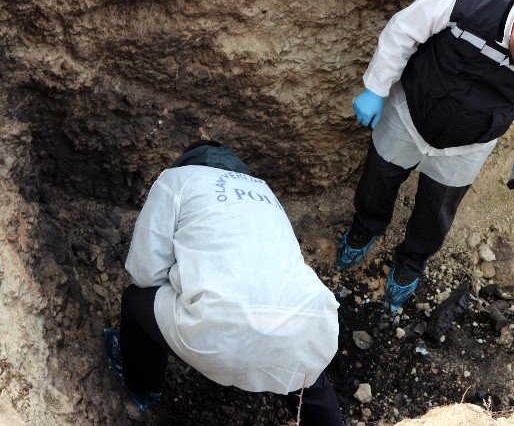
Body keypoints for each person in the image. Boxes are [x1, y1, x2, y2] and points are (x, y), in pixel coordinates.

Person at [336, 0, 514, 310]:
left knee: (437, 208)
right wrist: (376, 87)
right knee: (378, 179)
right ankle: (364, 228)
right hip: (410, 112)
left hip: (471, 142)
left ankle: (411, 262)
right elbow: (403, 32)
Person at [104, 141, 342, 425]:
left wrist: (187, 275)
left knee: (135, 301)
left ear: (189, 163)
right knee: (305, 375)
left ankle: (143, 388)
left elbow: (145, 274)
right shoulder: (264, 190)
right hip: (312, 325)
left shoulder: (176, 180)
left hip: (220, 336)